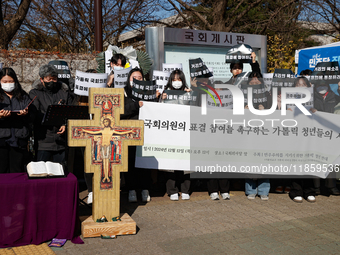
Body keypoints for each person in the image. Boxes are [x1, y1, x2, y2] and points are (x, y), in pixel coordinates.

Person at [29, 64, 72, 164]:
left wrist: (65, 124)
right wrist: (53, 115)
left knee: (60, 170)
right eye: (49, 79)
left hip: (61, 140)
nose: (52, 81)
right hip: (43, 140)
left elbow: (70, 112)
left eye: (54, 79)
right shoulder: (35, 93)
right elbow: (35, 113)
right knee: (41, 170)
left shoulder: (64, 92)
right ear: (42, 79)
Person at [121, 67, 152, 202]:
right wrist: (136, 105)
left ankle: (145, 189)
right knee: (131, 163)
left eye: (140, 78)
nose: (138, 80)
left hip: (146, 132)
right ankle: (131, 190)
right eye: (135, 77)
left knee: (145, 163)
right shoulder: (123, 93)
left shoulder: (149, 93)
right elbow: (121, 111)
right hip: (129, 133)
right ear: (129, 80)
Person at [161, 70, 191, 201]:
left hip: (185, 132)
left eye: (179, 79)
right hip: (170, 133)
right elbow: (159, 111)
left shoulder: (188, 92)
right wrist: (161, 99)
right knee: (170, 163)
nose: (177, 82)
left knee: (185, 161)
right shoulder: (165, 93)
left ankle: (185, 189)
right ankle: (172, 190)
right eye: (174, 79)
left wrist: (191, 95)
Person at [310, 80, 340, 196]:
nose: (321, 87)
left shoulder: (335, 98)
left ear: (327, 86)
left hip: (331, 134)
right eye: (319, 85)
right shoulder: (312, 98)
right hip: (316, 133)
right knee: (316, 159)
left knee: (330, 160)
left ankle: (331, 186)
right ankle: (316, 186)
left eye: (323, 85)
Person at [0, 67, 32, 173]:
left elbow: (33, 116)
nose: (8, 84)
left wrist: (26, 114)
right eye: (5, 81)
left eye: (10, 81)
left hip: (19, 139)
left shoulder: (23, 96)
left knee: (17, 171)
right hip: (2, 140)